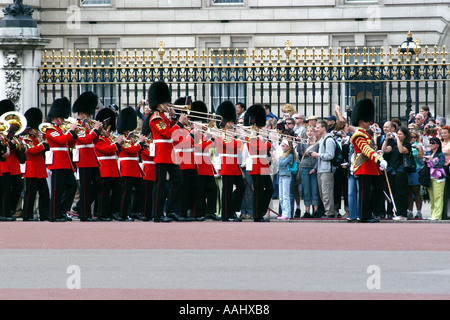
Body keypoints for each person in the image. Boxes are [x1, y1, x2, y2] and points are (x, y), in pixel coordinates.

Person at [148, 81, 188, 222]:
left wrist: (175, 118)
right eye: (166, 102)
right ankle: (157, 214)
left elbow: (172, 128)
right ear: (159, 103)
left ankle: (171, 211)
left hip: (169, 154)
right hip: (162, 153)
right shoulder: (156, 117)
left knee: (178, 180)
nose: (168, 105)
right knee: (159, 185)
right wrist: (179, 122)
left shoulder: (164, 116)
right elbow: (168, 133)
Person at [350, 98, 387, 223]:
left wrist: (379, 157)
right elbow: (365, 149)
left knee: (378, 189)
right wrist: (378, 160)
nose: (369, 123)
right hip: (364, 167)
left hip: (372, 167)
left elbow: (373, 149)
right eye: (367, 121)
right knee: (365, 193)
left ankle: (371, 212)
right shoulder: (358, 134)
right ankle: (364, 215)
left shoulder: (366, 133)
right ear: (361, 121)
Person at [45, 97, 79, 222]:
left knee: (72, 186)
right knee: (57, 190)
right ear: (57, 116)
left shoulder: (61, 130)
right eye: (63, 117)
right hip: (58, 163)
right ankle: (54, 214)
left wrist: (73, 134)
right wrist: (70, 131)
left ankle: (62, 210)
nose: (64, 120)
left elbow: (70, 144)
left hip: (66, 162)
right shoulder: (50, 129)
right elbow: (60, 140)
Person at [72, 91, 103, 221]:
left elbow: (94, 141)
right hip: (84, 158)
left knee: (98, 184)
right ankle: (85, 215)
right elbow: (84, 141)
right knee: (85, 188)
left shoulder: (88, 123)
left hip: (92, 158)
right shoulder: (78, 124)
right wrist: (95, 129)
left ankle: (80, 206)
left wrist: (98, 131)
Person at [214, 101, 246, 222]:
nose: (233, 123)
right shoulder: (220, 134)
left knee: (241, 187)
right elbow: (229, 146)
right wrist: (239, 137)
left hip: (235, 166)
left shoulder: (232, 134)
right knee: (226, 191)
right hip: (226, 165)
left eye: (233, 121)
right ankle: (225, 215)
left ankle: (232, 210)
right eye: (231, 122)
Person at [243, 104, 273, 222]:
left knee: (269, 189)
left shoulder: (259, 135)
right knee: (258, 191)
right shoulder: (249, 136)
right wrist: (268, 142)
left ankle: (260, 211)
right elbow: (261, 149)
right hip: (256, 165)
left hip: (263, 164)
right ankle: (257, 215)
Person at [94, 107, 123, 221]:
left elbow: (114, 150)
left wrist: (119, 145)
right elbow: (106, 150)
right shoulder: (98, 138)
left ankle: (113, 211)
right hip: (104, 168)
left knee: (117, 191)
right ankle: (102, 213)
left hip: (113, 168)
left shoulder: (109, 138)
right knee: (104, 193)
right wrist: (117, 144)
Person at [116, 107, 145, 222]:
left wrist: (142, 145)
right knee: (126, 192)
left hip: (134, 168)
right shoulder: (121, 138)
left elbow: (136, 150)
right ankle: (123, 214)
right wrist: (140, 143)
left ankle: (134, 211)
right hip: (127, 167)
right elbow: (131, 150)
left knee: (141, 189)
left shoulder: (131, 138)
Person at [21, 107, 50, 221]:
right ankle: (27, 216)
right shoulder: (27, 138)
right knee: (30, 195)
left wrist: (43, 141)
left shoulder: (38, 138)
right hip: (32, 170)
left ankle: (44, 214)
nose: (37, 131)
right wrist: (43, 144)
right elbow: (32, 151)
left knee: (44, 194)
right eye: (35, 129)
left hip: (40, 170)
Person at [0, 99, 24, 221]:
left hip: (14, 164)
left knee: (18, 187)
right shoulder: (1, 129)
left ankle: (9, 209)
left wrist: (19, 144)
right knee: (5, 190)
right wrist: (10, 142)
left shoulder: (14, 131)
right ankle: (4, 213)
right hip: (3, 164)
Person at [382, 127, 412, 221]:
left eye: (400, 134)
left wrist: (398, 139)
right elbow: (384, 150)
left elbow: (401, 150)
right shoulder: (394, 144)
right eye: (397, 134)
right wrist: (386, 139)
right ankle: (396, 211)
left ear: (405, 135)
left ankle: (403, 212)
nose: (398, 135)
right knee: (393, 192)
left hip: (401, 170)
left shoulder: (407, 144)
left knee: (401, 192)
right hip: (392, 170)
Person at [310, 120, 335, 218]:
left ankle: (330, 213)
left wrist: (318, 155)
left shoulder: (329, 140)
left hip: (326, 170)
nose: (316, 129)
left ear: (324, 128)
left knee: (327, 193)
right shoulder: (322, 140)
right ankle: (327, 211)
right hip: (321, 169)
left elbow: (330, 155)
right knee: (323, 193)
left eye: (318, 127)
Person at [296, 125, 319, 218]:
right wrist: (298, 142)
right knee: (306, 190)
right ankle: (307, 211)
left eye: (311, 131)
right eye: (308, 131)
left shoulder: (318, 144)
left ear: (314, 133)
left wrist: (315, 168)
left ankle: (316, 211)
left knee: (315, 189)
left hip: (314, 167)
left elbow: (318, 158)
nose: (309, 133)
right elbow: (299, 151)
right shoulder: (304, 143)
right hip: (305, 167)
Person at [424, 137, 446, 220]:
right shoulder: (429, 152)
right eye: (430, 143)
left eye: (433, 143)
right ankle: (433, 213)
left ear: (437, 144)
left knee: (438, 196)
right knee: (432, 197)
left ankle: (437, 215)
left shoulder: (441, 154)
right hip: (429, 177)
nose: (431, 145)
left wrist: (432, 161)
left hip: (438, 177)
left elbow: (440, 165)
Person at [276, 139, 295, 220]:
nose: (282, 146)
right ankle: (284, 213)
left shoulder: (290, 155)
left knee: (285, 195)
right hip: (281, 175)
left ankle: (287, 213)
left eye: (284, 144)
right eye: (282, 144)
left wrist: (277, 158)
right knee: (281, 196)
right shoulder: (283, 154)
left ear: (288, 146)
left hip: (286, 176)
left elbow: (282, 163)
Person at [406, 130, 423, 219]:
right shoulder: (406, 144)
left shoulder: (418, 145)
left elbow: (420, 159)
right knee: (408, 192)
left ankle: (419, 211)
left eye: (414, 137)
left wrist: (419, 149)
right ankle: (410, 210)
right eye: (411, 137)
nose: (412, 139)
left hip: (415, 169)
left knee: (416, 191)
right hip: (407, 169)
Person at [440, 125, 450, 220]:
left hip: (448, 167)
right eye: (442, 133)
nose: (443, 135)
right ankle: (443, 213)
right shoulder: (440, 142)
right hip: (441, 167)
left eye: (445, 133)